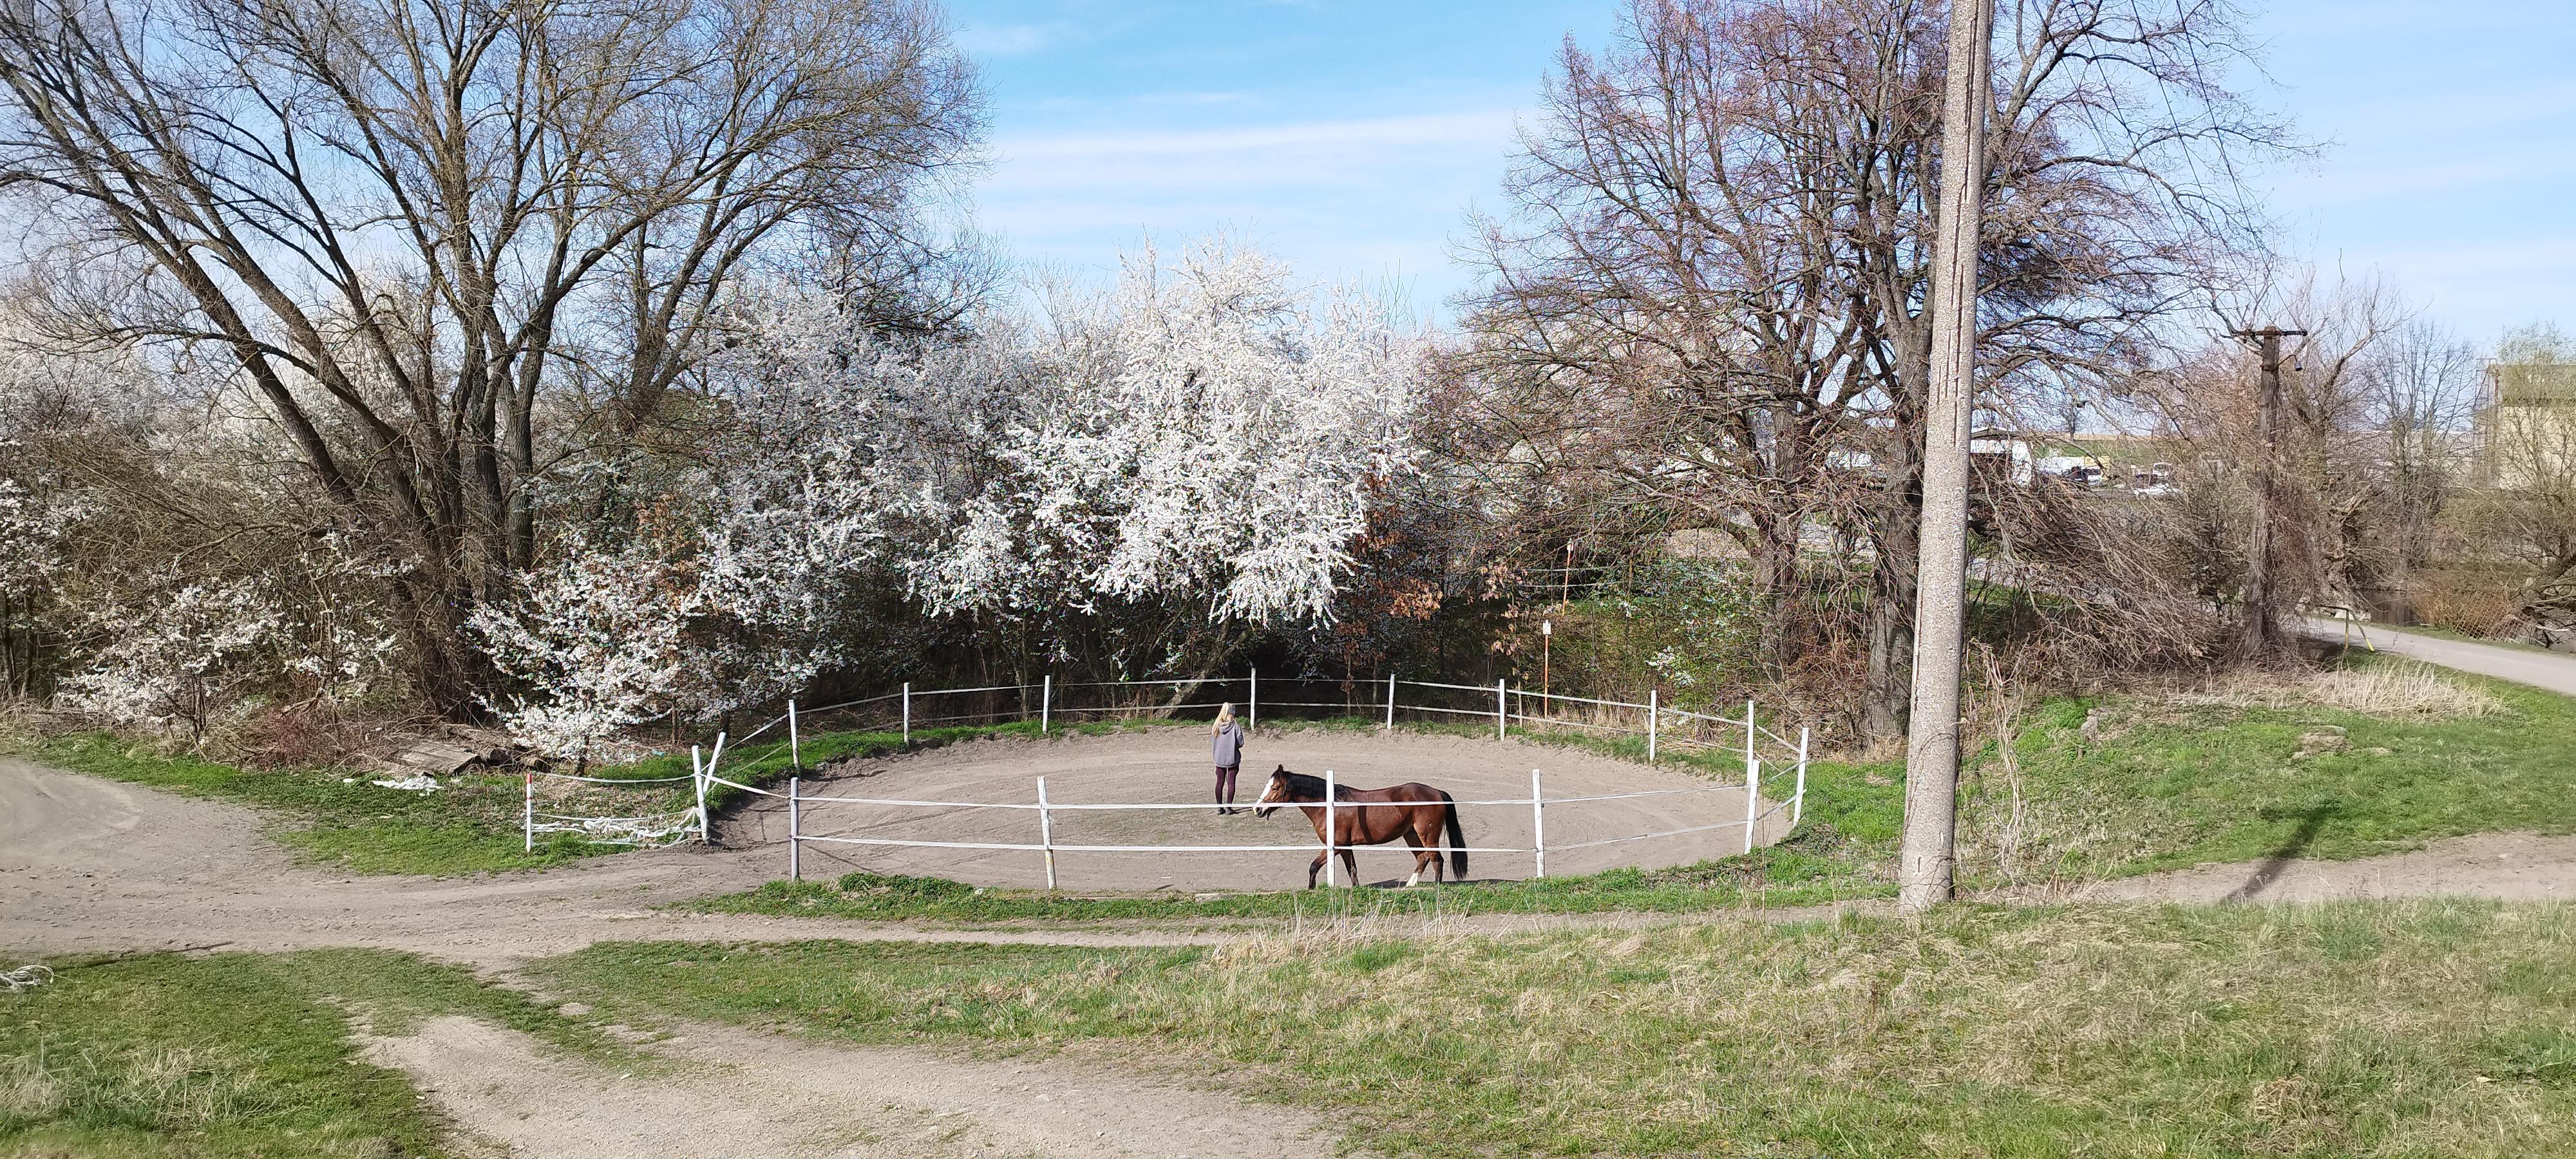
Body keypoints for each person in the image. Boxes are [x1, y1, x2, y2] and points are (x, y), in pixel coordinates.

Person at [1211, 704, 1247, 815]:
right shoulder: (1236, 726)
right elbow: (1240, 743)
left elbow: (1213, 742)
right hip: (1232, 759)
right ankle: (1229, 807)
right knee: (1231, 783)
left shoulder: (1216, 726)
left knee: (1219, 782)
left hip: (1219, 759)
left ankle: (1219, 807)